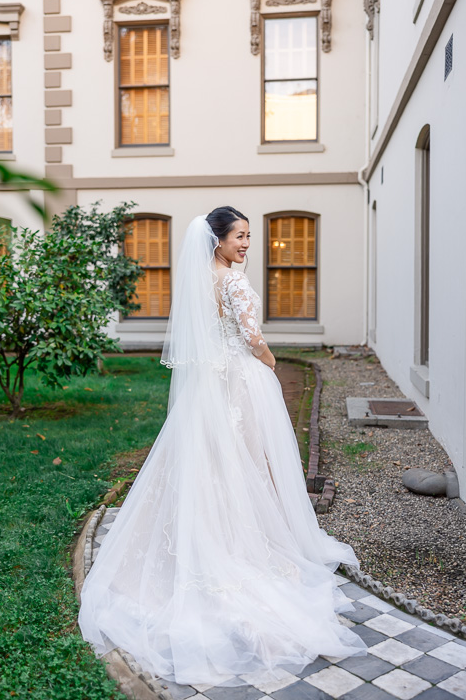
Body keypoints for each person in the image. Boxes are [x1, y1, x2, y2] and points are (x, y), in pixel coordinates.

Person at [78, 207, 368, 687]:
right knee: (245, 461)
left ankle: (214, 534)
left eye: (250, 237)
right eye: (240, 236)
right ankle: (242, 546)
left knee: (215, 461)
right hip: (239, 380)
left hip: (212, 385)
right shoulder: (231, 281)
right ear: (218, 239)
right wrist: (270, 362)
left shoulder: (201, 279)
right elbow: (252, 336)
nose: (247, 244)